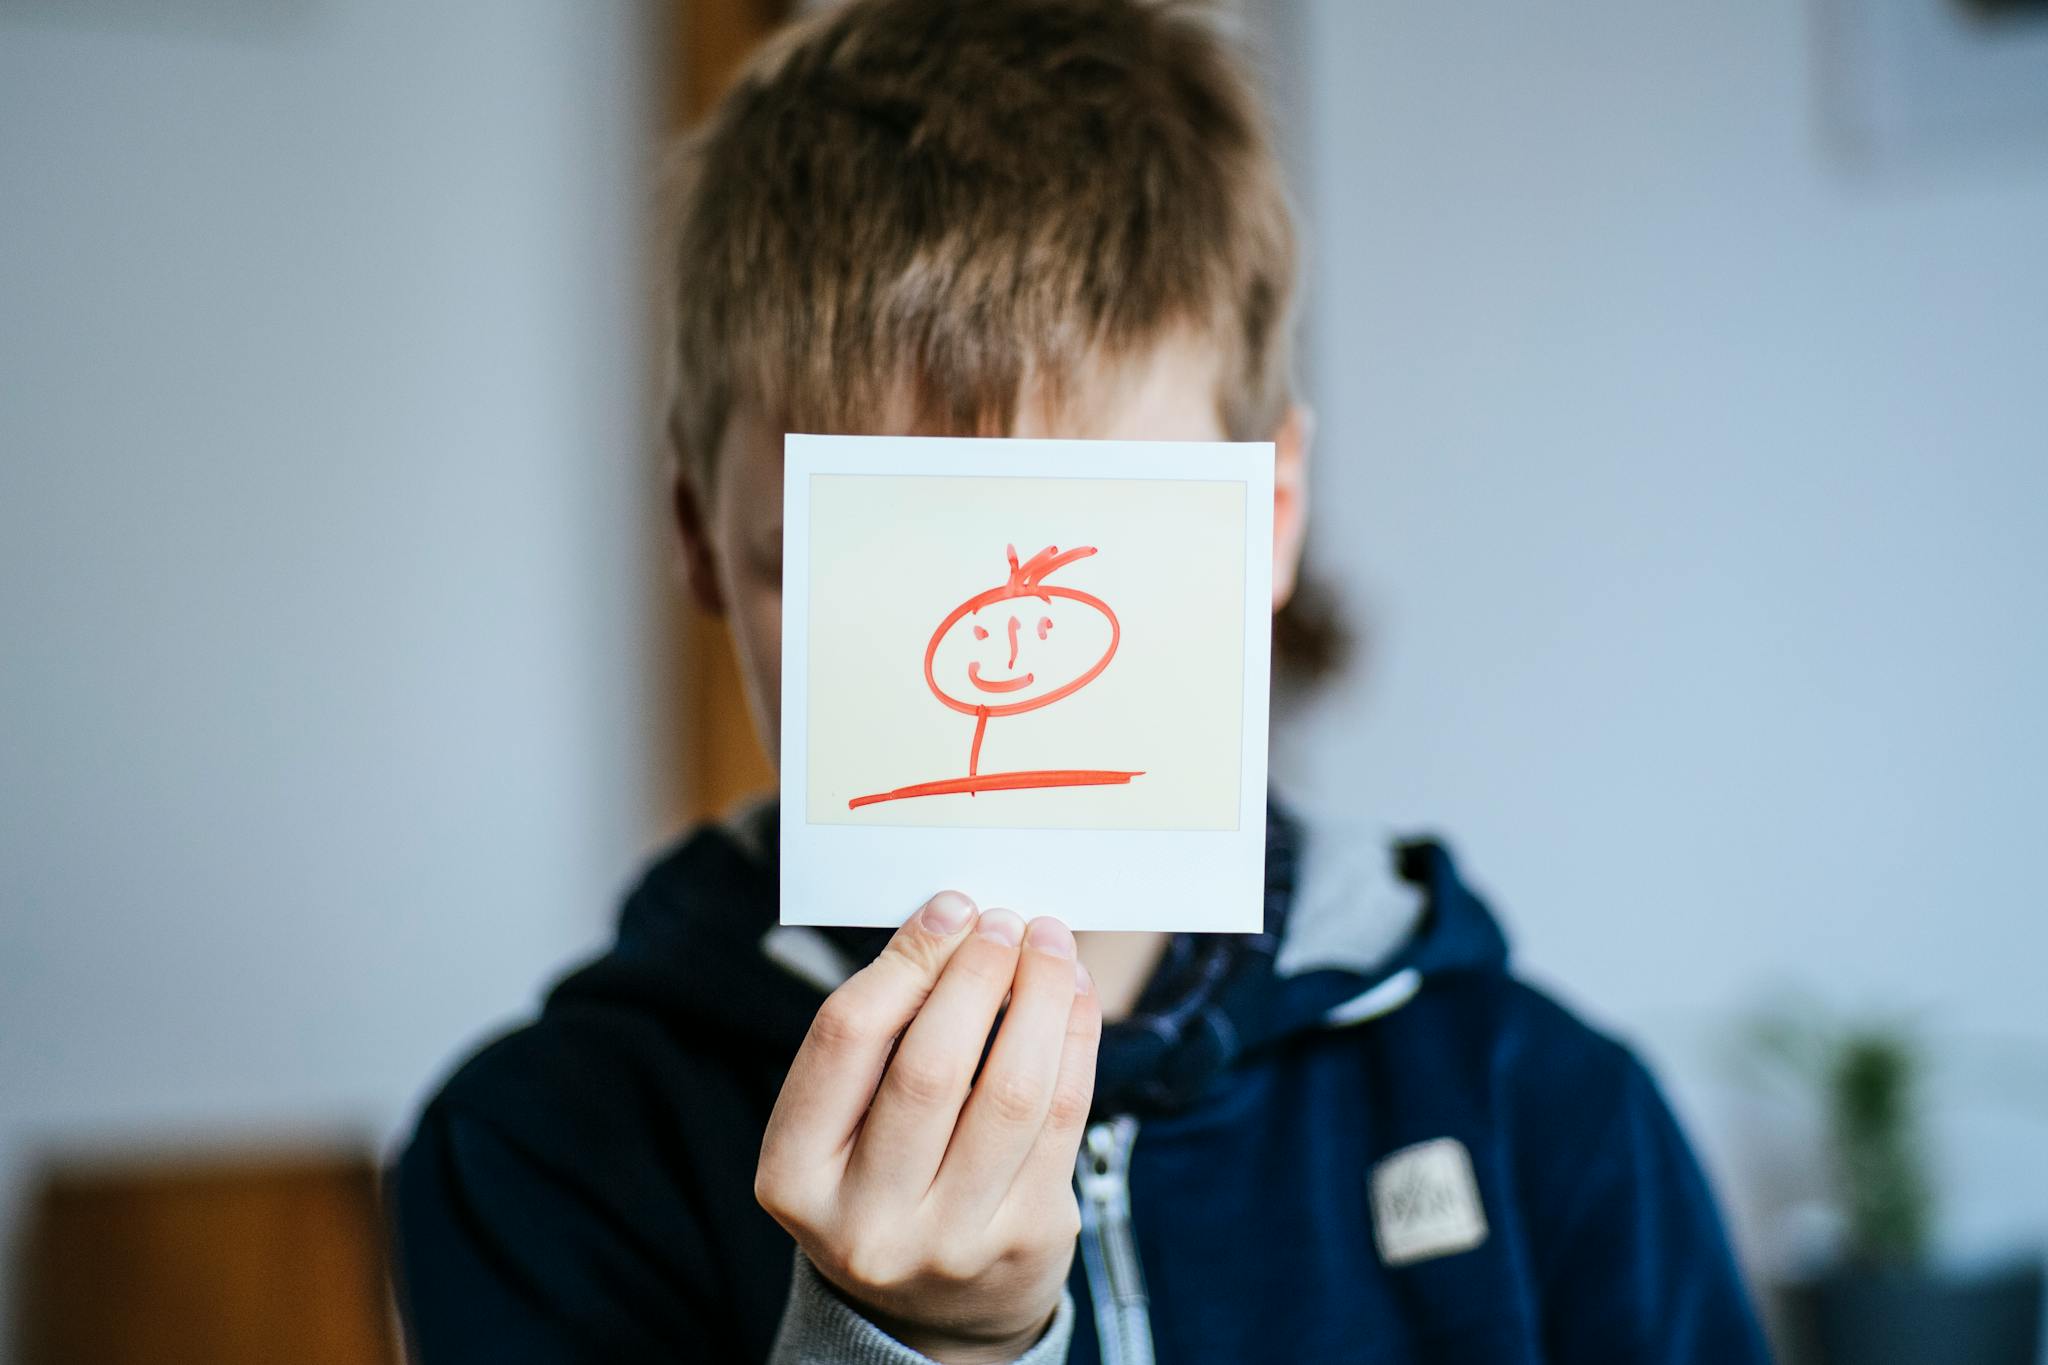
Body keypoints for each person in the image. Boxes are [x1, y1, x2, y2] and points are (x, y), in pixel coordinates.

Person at [389, 2, 1773, 1361]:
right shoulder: (538, 1152)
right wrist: (898, 1352)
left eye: (1101, 554)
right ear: (700, 540)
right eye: (851, 562)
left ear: (1271, 514)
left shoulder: (1550, 1117)